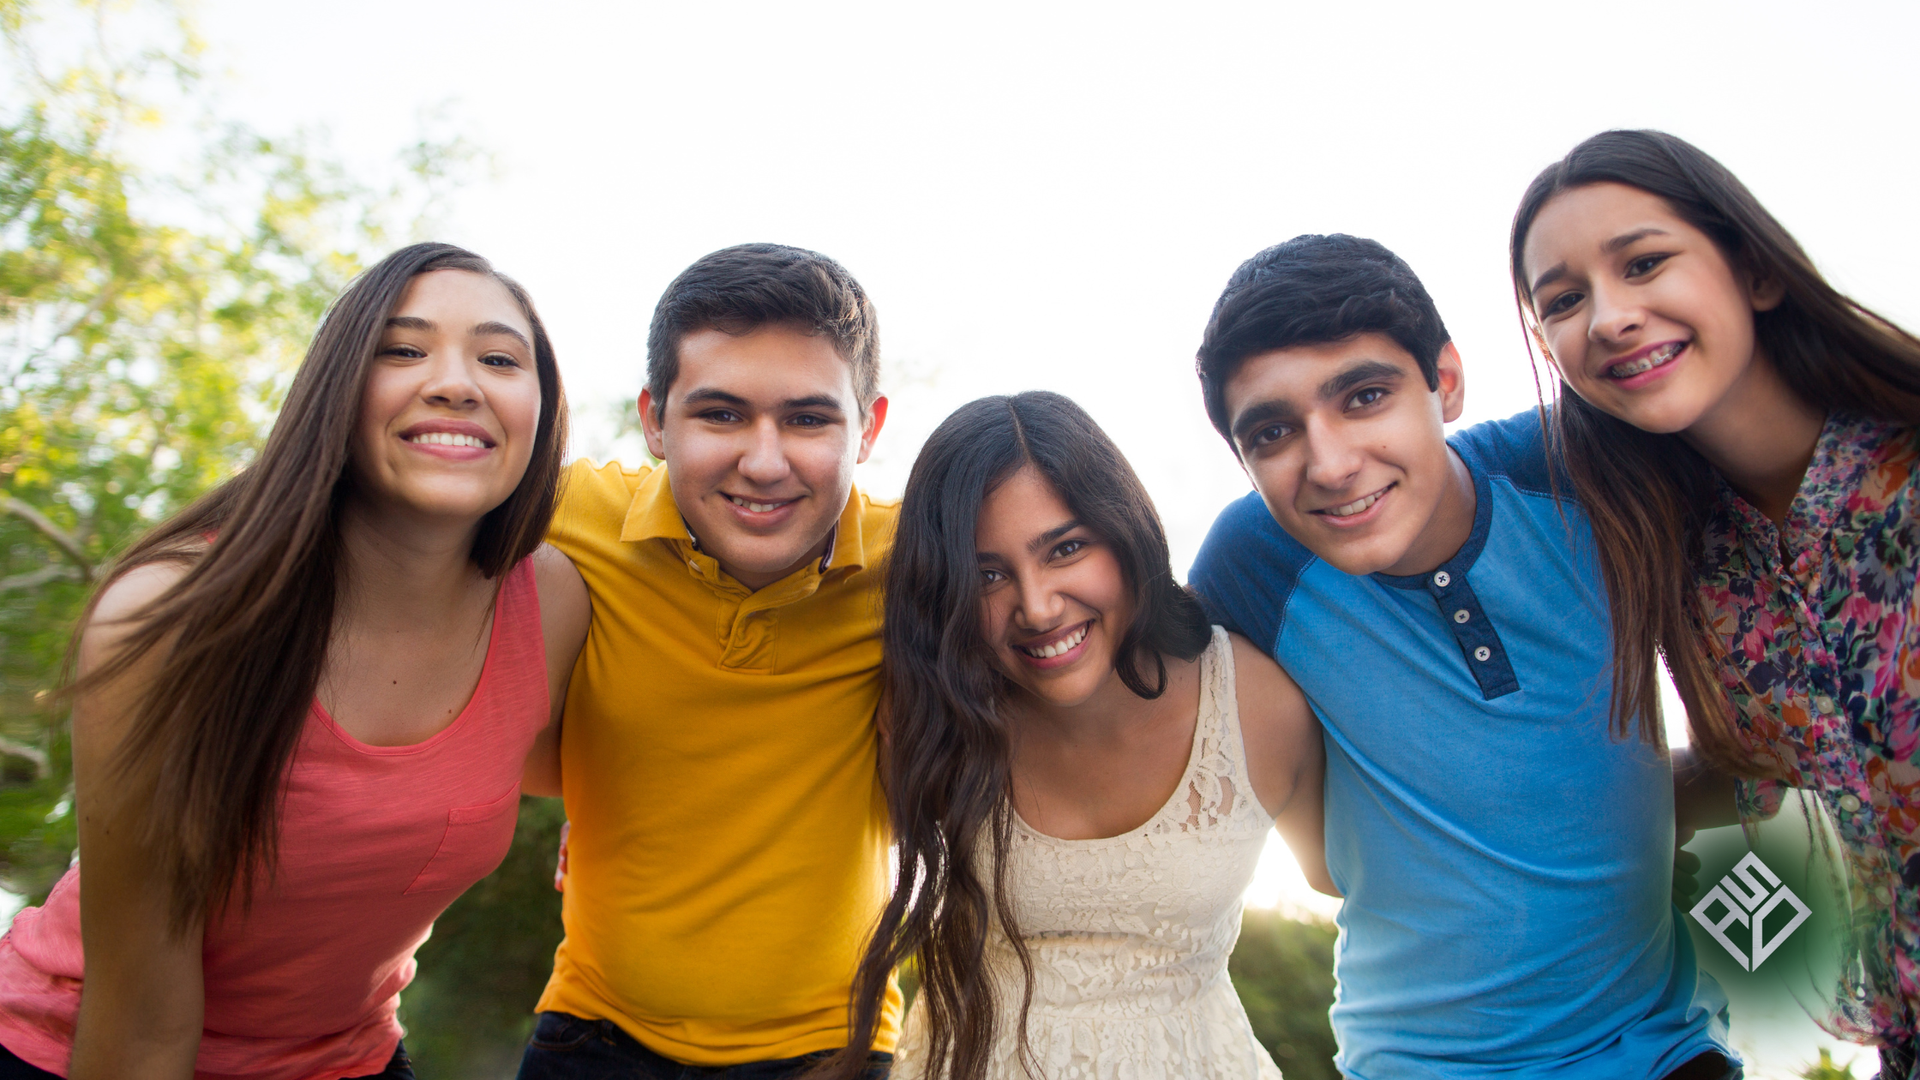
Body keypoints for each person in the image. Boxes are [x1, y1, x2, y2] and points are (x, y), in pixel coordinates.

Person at [0, 242, 590, 1080]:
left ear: (540, 405)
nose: (458, 382)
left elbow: (553, 763)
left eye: (499, 358)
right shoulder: (174, 618)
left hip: (346, 1058)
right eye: (402, 349)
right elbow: (141, 1023)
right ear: (335, 393)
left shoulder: (554, 602)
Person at [1186, 233, 1738, 1079]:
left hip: (1662, 1050)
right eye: (1272, 433)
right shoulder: (1251, 568)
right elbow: (1322, 861)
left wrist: (1662, 787)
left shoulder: (1585, 468)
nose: (1330, 463)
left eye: (1365, 395)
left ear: (1445, 380)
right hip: (1423, 1064)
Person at [1510, 129, 1920, 1077]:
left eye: (1645, 261)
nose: (1608, 317)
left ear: (1755, 272)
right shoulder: (1679, 564)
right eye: (1563, 302)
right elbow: (1751, 762)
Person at [822, 390, 1326, 1080]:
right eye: (988, 573)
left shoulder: (1254, 700)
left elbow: (1353, 883)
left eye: (1064, 548)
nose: (1036, 606)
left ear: (1124, 534)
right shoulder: (928, 712)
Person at [517, 244, 899, 1079]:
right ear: (656, 420)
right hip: (593, 1036)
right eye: (721, 414)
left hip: (836, 1052)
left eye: (808, 419)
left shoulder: (919, 563)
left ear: (866, 428)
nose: (764, 462)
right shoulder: (568, 517)